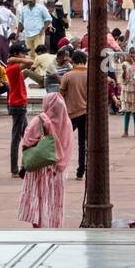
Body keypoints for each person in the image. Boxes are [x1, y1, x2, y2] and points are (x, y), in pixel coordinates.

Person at [16, 92, 73, 229]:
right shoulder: (67, 123)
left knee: (40, 199)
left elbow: (27, 141)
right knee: (54, 200)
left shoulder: (40, 120)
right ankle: (53, 226)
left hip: (40, 167)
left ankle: (40, 227)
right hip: (58, 170)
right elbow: (68, 144)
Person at [59, 49, 89, 179]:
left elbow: (61, 95)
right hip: (86, 112)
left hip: (71, 114)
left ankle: (60, 167)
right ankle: (81, 170)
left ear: (73, 60)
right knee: (83, 143)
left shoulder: (68, 75)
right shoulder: (90, 74)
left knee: (63, 141)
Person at [5, 42, 33, 176]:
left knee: (28, 135)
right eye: (23, 52)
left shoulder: (13, 67)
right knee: (17, 138)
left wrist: (15, 58)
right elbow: (30, 62)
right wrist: (15, 58)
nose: (25, 55)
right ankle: (14, 169)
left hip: (19, 104)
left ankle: (26, 164)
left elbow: (29, 63)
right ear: (16, 54)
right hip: (18, 105)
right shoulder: (12, 68)